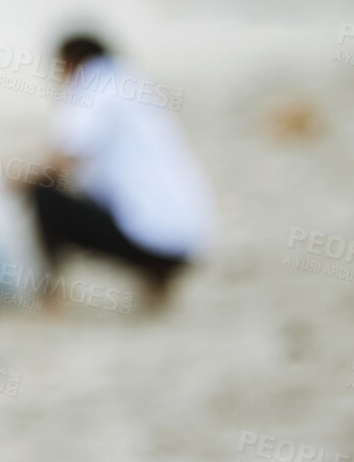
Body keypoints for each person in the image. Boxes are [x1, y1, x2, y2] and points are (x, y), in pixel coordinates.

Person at [25, 33, 213, 309]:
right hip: (189, 240)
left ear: (70, 62)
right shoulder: (132, 84)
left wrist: (13, 179)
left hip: (149, 237)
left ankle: (50, 298)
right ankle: (157, 283)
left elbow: (62, 160)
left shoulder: (94, 87)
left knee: (43, 193)